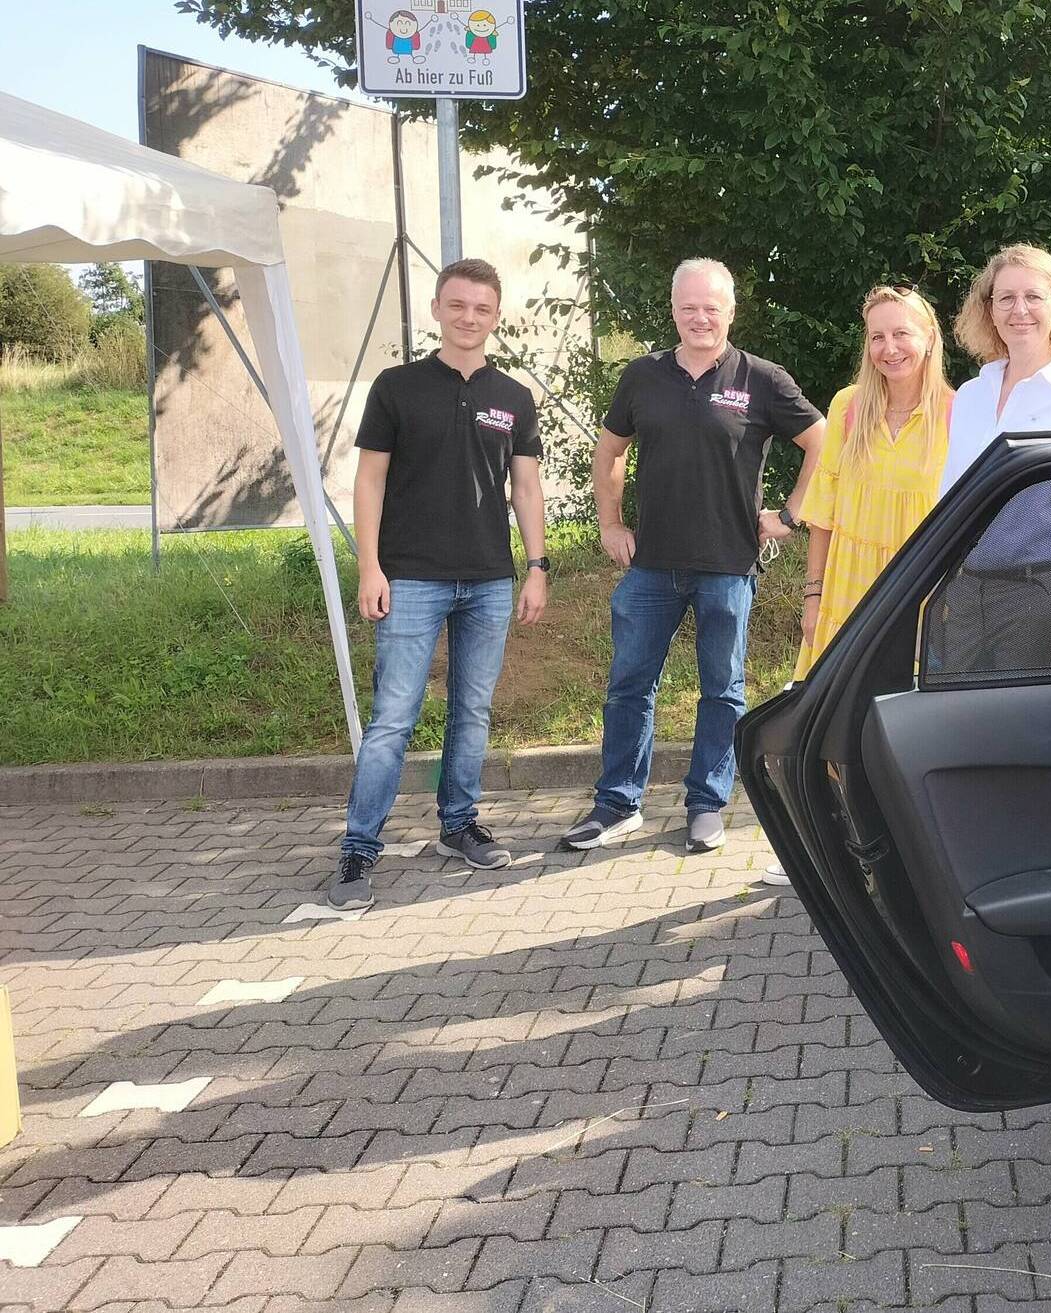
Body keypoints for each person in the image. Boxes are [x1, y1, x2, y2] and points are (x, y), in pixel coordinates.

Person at [563, 258, 824, 855]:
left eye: (712, 307)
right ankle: (617, 803)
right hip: (650, 565)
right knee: (630, 685)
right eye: (688, 307)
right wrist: (609, 523)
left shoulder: (761, 378)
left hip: (728, 565)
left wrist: (789, 516)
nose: (700, 317)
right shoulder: (642, 376)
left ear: (731, 311)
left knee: (722, 689)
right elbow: (608, 455)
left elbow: (822, 442)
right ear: (673, 310)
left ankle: (707, 804)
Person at [328, 257, 549, 911]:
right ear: (437, 309)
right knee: (392, 720)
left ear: (495, 317)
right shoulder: (397, 388)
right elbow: (368, 481)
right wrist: (369, 566)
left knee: (472, 711)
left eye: (481, 308)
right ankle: (358, 849)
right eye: (457, 305)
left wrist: (537, 566)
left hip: (487, 579)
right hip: (412, 577)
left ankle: (458, 825)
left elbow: (526, 486)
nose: (469, 317)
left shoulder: (513, 397)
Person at [933, 244, 1051, 673]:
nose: (1020, 310)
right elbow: (949, 501)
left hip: (1040, 597)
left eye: (1034, 296)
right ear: (990, 309)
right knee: (955, 726)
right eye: (1006, 298)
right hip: (965, 593)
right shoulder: (970, 395)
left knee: (1015, 733)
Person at [793, 286, 953, 678]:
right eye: (877, 337)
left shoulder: (960, 412)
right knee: (836, 721)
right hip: (845, 594)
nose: (889, 348)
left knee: (904, 722)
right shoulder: (848, 406)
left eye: (902, 334)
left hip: (919, 600)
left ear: (929, 338)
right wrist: (813, 595)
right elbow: (822, 513)